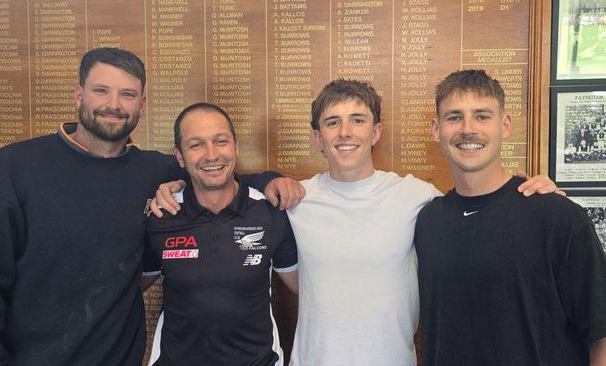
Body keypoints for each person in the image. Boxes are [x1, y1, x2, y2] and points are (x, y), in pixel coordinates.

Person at [151, 80, 559, 365]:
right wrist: (176, 187)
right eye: (332, 123)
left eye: (358, 120)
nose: (345, 133)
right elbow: (238, 185)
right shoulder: (293, 200)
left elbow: (478, 206)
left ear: (376, 131)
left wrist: (531, 190)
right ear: (318, 138)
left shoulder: (417, 197)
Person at [0, 48, 302, 366]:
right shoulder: (11, 171)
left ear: (141, 105)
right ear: (78, 94)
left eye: (127, 94)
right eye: (101, 90)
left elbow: (218, 176)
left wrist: (272, 181)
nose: (113, 104)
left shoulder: (152, 170)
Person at [415, 69, 606, 366]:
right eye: (454, 117)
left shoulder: (559, 218)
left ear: (504, 125)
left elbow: (600, 333)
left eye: (482, 116)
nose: (468, 128)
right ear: (436, 129)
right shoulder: (427, 222)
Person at [141, 103, 298, 366]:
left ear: (235, 147)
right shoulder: (161, 214)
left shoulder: (270, 211)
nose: (211, 155)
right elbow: (130, 285)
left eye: (220, 141)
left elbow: (307, 286)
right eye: (196, 145)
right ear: (179, 157)